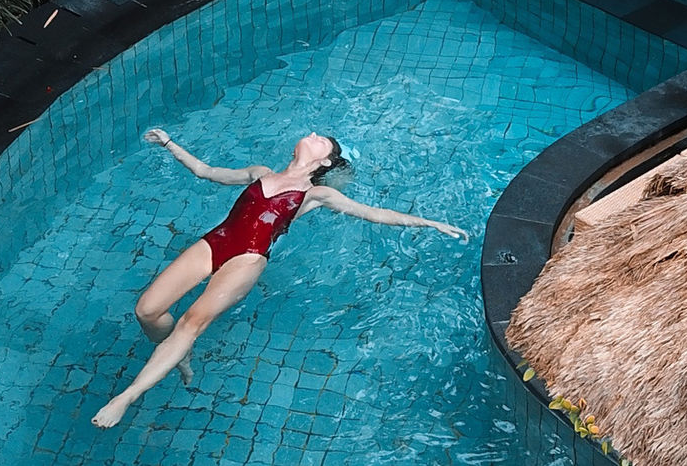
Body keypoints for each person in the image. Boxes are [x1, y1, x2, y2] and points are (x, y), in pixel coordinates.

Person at [91, 127, 468, 427]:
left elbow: (375, 213)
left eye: (324, 139)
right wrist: (169, 143)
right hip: (216, 241)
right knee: (147, 311)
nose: (315, 134)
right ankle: (179, 355)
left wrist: (430, 222)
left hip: (248, 258)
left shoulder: (316, 194)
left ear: (325, 160)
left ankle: (127, 396)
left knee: (190, 321)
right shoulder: (260, 173)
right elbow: (206, 171)